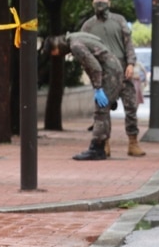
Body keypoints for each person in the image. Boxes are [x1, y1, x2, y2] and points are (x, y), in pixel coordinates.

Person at [80, 0, 145, 157]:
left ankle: (133, 142)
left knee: (131, 106)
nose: (100, 2)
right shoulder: (87, 26)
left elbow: (128, 43)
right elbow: (83, 51)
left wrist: (131, 63)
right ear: (92, 4)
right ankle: (104, 143)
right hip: (103, 73)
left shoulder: (119, 20)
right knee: (103, 110)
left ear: (109, 3)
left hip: (123, 70)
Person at [45, 33, 123, 161]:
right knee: (104, 109)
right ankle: (102, 146)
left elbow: (95, 67)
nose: (59, 55)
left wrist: (98, 88)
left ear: (56, 46)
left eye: (56, 53)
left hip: (110, 73)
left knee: (100, 110)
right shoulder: (77, 36)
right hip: (114, 70)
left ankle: (96, 149)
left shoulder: (75, 46)